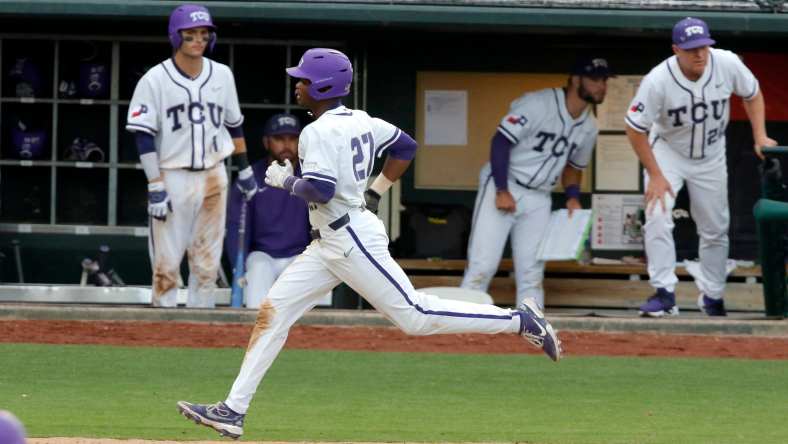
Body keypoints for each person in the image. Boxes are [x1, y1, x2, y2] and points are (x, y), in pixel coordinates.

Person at [175, 48, 561, 439]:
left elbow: (320, 191)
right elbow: (405, 146)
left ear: (323, 86)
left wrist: (283, 181)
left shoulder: (318, 131)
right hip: (328, 241)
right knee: (273, 313)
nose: (298, 85)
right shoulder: (360, 119)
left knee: (415, 317)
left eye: (305, 80)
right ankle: (233, 410)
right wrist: (377, 190)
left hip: (350, 239)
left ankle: (519, 320)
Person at [626, 17, 777, 317]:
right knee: (656, 214)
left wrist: (759, 135)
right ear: (676, 50)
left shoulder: (727, 63)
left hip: (711, 153)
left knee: (716, 228)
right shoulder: (657, 80)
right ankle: (664, 293)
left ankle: (712, 296)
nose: (699, 54)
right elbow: (634, 127)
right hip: (668, 152)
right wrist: (655, 174)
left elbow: (752, 94)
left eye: (704, 46)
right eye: (691, 48)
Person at [126, 4, 259, 308]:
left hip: (214, 174)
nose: (198, 40)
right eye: (191, 34)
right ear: (176, 36)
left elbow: (234, 127)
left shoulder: (222, 75)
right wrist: (155, 184)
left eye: (204, 34)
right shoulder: (154, 79)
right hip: (171, 176)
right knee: (167, 265)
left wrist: (245, 169)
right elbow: (143, 135)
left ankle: (202, 332)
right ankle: (163, 331)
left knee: (207, 264)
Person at [460, 56, 612, 310]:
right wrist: (501, 190)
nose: (601, 86)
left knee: (531, 272)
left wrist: (572, 196)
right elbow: (500, 142)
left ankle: (532, 331)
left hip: (541, 196)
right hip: (505, 183)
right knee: (482, 266)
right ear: (576, 79)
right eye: (595, 79)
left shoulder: (589, 126)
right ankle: (462, 324)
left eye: (605, 81)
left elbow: (574, 167)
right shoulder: (537, 104)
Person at [225, 113, 312, 309]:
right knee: (257, 267)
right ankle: (257, 335)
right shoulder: (250, 179)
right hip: (263, 255)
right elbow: (235, 227)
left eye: (293, 139)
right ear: (266, 142)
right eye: (279, 139)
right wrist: (236, 268)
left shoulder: (310, 178)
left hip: (299, 256)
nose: (287, 144)